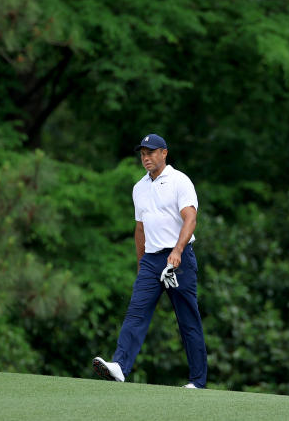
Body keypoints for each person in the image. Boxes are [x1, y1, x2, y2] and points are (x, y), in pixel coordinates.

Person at [93, 133, 208, 389]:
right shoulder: (139, 187)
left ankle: (198, 381)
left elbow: (190, 219)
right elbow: (140, 230)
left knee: (188, 320)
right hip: (151, 261)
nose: (146, 158)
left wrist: (177, 251)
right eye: (143, 154)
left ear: (164, 153)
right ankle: (120, 366)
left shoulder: (180, 181)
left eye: (151, 152)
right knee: (136, 311)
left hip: (179, 258)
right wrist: (140, 264)